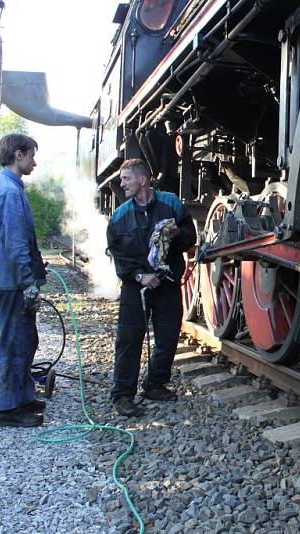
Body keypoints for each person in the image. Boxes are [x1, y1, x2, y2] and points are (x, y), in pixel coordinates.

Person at [106, 159, 196, 417]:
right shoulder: (119, 217)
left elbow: (191, 236)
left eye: (126, 179)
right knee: (129, 338)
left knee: (167, 337)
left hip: (167, 283)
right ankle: (123, 395)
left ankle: (155, 384)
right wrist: (139, 276)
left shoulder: (172, 204)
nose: (121, 184)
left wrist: (177, 233)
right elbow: (118, 255)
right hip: (136, 288)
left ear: (143, 179)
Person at [0, 133, 46, 427]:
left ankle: (22, 395)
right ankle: (7, 409)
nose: (34, 161)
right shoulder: (7, 191)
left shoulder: (1, 184)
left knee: (26, 338)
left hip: (7, 278)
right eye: (32, 155)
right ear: (18, 155)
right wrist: (28, 282)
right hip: (13, 281)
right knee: (14, 341)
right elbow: (16, 243)